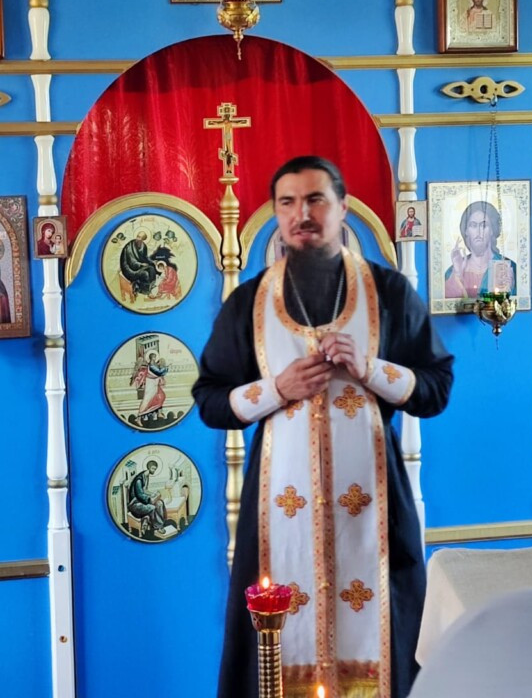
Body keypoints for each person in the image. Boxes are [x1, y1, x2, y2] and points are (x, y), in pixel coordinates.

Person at [192, 155, 454, 698]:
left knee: (386, 644)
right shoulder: (249, 303)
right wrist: (277, 389)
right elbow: (210, 401)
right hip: (278, 517)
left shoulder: (390, 294)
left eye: (315, 200)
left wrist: (369, 369)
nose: (301, 214)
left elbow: (436, 390)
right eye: (287, 203)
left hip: (375, 512)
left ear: (343, 207)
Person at [443, 201, 518, 299]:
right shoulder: (452, 271)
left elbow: (513, 302)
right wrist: (457, 274)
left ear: (492, 230)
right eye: (473, 225)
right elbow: (448, 303)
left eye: (483, 225)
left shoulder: (508, 266)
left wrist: (510, 287)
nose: (479, 232)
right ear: (466, 231)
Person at [127, 459, 171, 537]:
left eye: (155, 469)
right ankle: (159, 527)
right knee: (152, 507)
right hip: (135, 504)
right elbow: (140, 494)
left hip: (142, 501)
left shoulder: (146, 476)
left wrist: (153, 494)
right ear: (149, 467)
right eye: (153, 468)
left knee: (160, 503)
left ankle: (152, 520)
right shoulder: (139, 480)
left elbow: (145, 490)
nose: (154, 471)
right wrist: (151, 499)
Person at [119, 232, 159, 297]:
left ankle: (151, 287)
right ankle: (145, 292)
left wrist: (152, 262)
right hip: (129, 269)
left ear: (143, 239)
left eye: (140, 237)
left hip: (138, 267)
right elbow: (132, 262)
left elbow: (145, 258)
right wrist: (141, 265)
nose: (137, 238)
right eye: (137, 236)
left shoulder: (144, 246)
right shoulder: (129, 246)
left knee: (152, 269)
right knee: (145, 274)